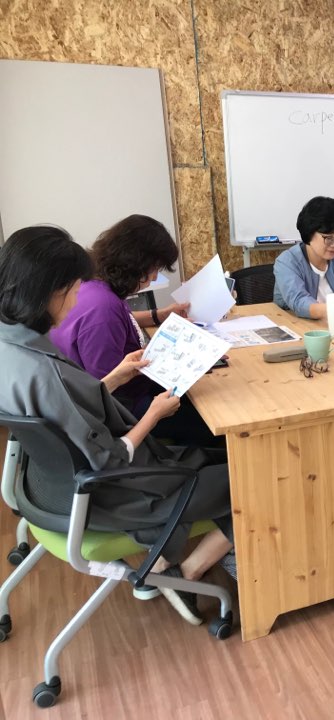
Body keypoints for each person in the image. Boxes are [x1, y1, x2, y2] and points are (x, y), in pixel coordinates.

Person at [0, 226, 236, 625]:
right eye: (74, 290)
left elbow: (68, 410)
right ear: (49, 291)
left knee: (212, 457)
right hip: (113, 491)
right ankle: (185, 572)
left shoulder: (13, 349)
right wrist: (154, 414)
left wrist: (111, 379)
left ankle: (166, 561)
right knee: (250, 474)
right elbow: (109, 460)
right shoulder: (45, 373)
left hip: (48, 487)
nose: (77, 299)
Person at [49, 215, 214, 446]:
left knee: (203, 393)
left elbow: (119, 321)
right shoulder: (103, 308)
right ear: (135, 262)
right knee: (212, 419)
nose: (154, 277)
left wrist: (158, 315)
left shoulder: (92, 288)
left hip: (119, 397)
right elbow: (112, 388)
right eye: (154, 268)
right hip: (125, 411)